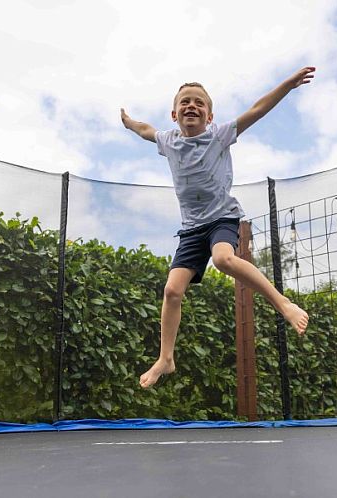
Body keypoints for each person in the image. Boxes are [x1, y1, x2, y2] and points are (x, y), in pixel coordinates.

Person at [121, 66, 314, 388]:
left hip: (222, 217)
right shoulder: (167, 141)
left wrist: (288, 86)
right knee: (171, 291)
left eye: (199, 103)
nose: (191, 106)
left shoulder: (220, 135)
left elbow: (257, 109)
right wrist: (128, 122)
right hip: (191, 229)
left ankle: (283, 303)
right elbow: (144, 129)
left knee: (224, 259)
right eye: (185, 102)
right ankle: (166, 358)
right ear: (174, 114)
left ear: (209, 116)